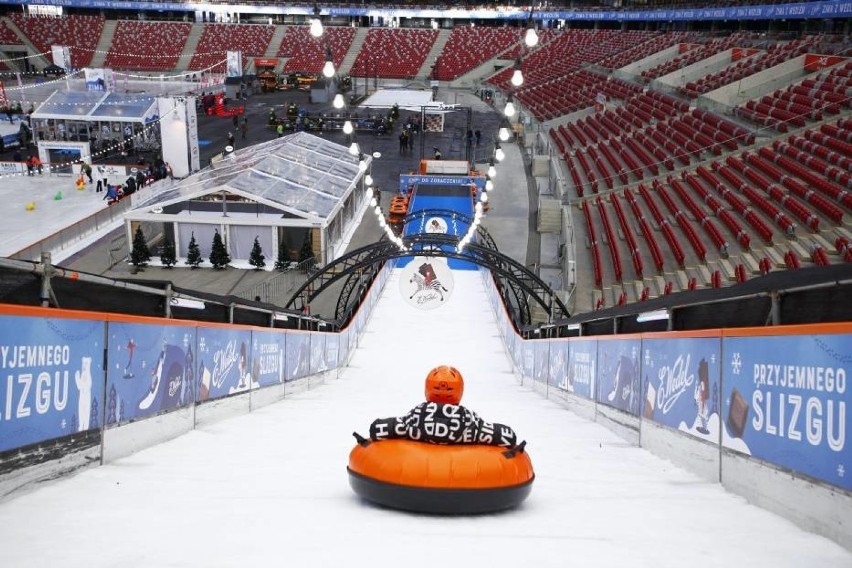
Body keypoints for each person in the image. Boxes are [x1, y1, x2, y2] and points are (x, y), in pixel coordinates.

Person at [368, 365, 518, 448]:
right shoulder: (468, 421)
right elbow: (507, 436)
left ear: (427, 389)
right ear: (460, 391)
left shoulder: (416, 416)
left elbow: (383, 427)